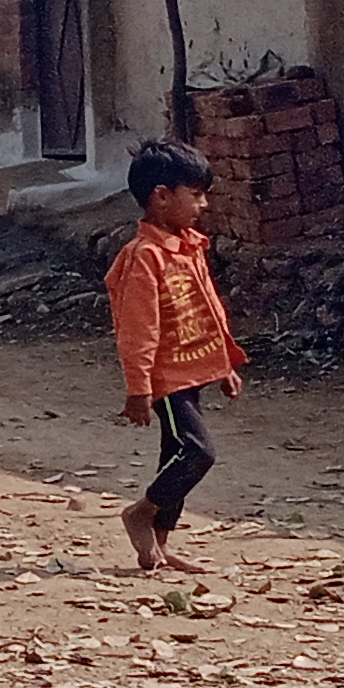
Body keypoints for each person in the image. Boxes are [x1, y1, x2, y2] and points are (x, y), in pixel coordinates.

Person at [107, 140, 245, 573]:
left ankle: (161, 546)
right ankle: (141, 513)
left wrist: (224, 363)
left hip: (194, 369)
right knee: (197, 453)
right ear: (161, 197)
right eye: (196, 194)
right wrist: (138, 388)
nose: (203, 204)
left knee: (175, 453)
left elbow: (209, 305)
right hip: (166, 377)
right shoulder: (143, 257)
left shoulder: (188, 245)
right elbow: (138, 328)